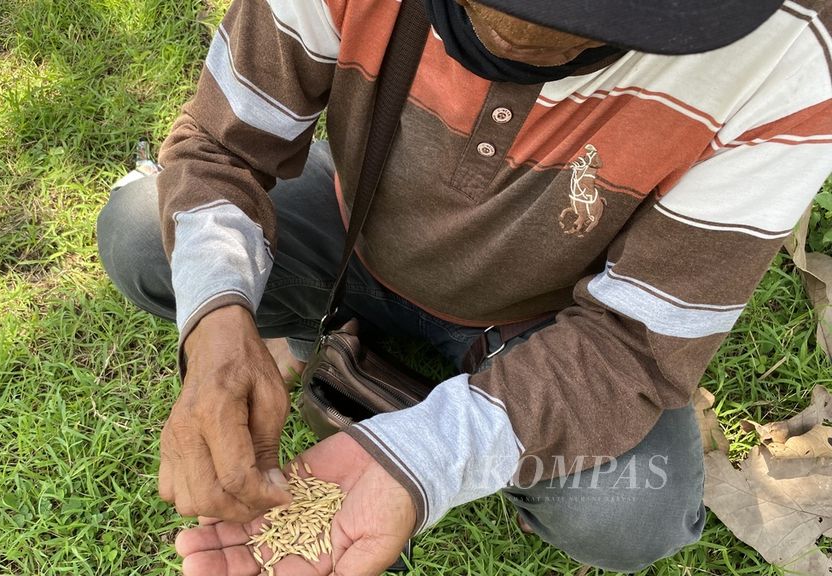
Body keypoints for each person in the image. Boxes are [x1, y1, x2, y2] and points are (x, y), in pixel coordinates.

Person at [97, 0, 832, 573]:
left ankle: (497, 419)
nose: (513, 31)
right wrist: (218, 321)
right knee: (143, 229)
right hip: (357, 242)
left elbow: (636, 344)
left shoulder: (791, 54)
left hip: (553, 324)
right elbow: (222, 147)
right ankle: (309, 332)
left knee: (628, 515)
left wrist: (432, 460)